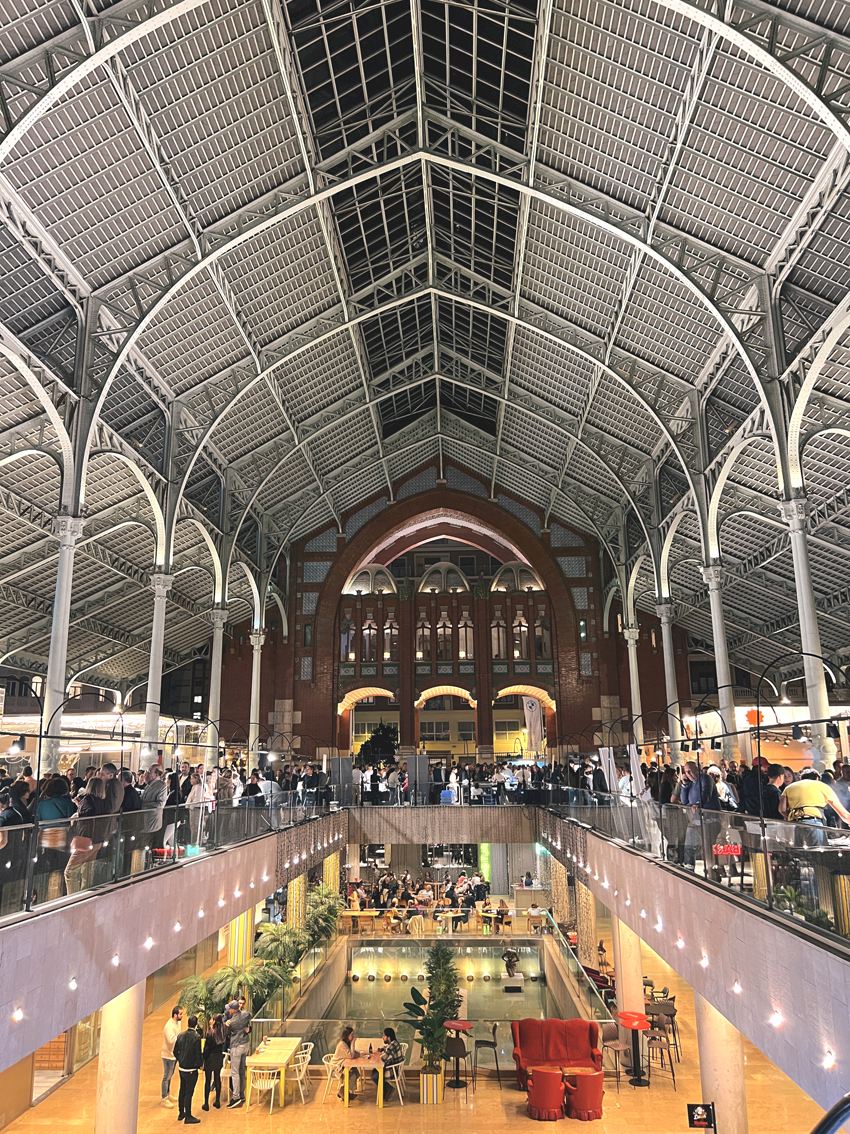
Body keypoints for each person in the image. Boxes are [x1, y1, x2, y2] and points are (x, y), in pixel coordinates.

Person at [780, 767, 850, 845]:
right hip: (814, 823)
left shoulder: (789, 787)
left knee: (798, 851)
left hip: (793, 825)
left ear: (801, 778)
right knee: (817, 851)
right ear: (817, 778)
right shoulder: (822, 786)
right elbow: (844, 814)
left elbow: (782, 809)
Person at [173, 1013, 203, 1123]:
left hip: (182, 1068)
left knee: (182, 1090)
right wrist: (199, 1065)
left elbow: (175, 1051)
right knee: (189, 1093)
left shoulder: (180, 1035)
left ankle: (181, 1113)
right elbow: (198, 1054)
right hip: (191, 1069)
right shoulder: (197, 1037)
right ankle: (188, 1116)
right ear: (196, 1025)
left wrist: (180, 1059)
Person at [224, 996, 252, 1107]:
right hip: (245, 1045)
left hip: (236, 1046)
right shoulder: (245, 1014)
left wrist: (226, 1024)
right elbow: (249, 1017)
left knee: (234, 1072)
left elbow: (226, 1033)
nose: (228, 1010)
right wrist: (247, 1028)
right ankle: (242, 1094)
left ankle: (236, 1097)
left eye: (229, 1009)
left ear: (233, 1010)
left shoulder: (232, 1022)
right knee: (241, 1071)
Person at [202, 1013, 226, 1111]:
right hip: (218, 1058)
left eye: (212, 1019)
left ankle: (206, 1103)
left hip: (210, 1059)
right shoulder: (222, 1032)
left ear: (215, 1021)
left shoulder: (210, 1033)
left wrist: (203, 1058)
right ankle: (217, 1101)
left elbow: (207, 1049)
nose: (210, 1020)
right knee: (217, 1079)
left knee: (208, 1081)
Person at [161, 1005, 183, 1108]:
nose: (182, 1016)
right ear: (175, 1015)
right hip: (168, 1055)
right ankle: (164, 1098)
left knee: (170, 1075)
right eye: (180, 1014)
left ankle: (168, 1094)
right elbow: (171, 1040)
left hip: (174, 1054)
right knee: (167, 1076)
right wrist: (180, 1038)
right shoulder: (169, 1026)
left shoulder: (178, 1023)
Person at [372, 1026, 403, 1100]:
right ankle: (386, 1091)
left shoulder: (392, 1046)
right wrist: (382, 1049)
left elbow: (384, 1058)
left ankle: (388, 1089)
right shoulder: (394, 1043)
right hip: (394, 1067)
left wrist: (376, 1057)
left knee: (375, 1076)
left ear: (388, 1037)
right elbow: (387, 1049)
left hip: (393, 1070)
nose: (383, 1037)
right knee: (374, 1071)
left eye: (384, 1036)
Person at [334, 1024, 358, 1100]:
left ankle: (347, 1092)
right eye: (352, 1034)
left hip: (342, 1064)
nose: (353, 1036)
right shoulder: (342, 1044)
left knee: (356, 1071)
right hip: (337, 1067)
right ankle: (342, 1092)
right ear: (347, 1035)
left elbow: (352, 1053)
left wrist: (359, 1054)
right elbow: (351, 1056)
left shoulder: (346, 1043)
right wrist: (353, 1043)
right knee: (353, 1074)